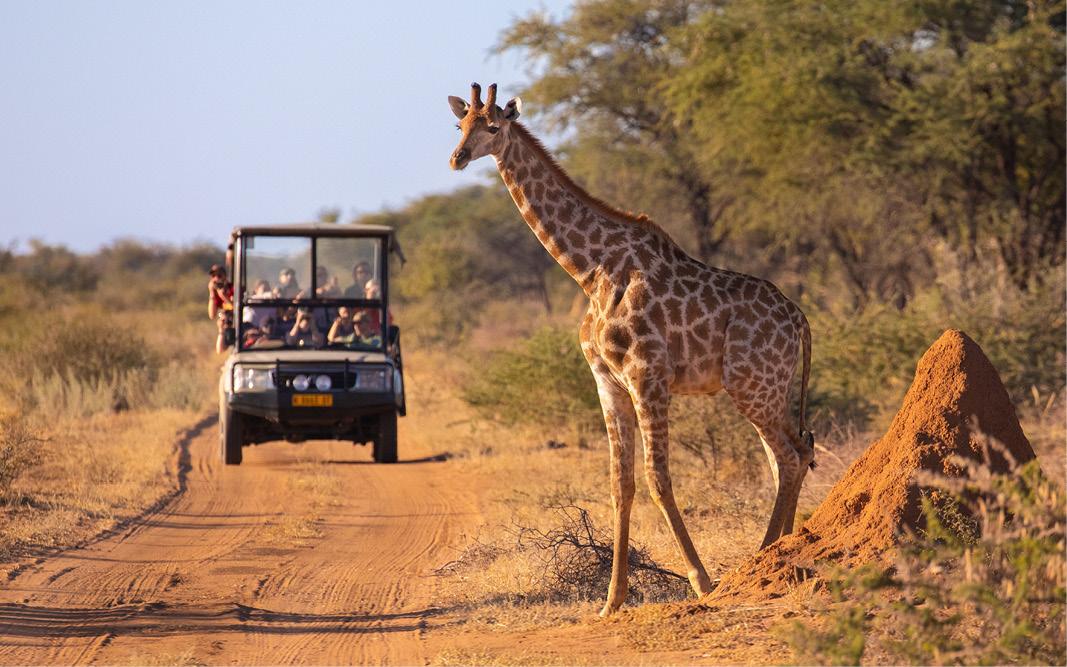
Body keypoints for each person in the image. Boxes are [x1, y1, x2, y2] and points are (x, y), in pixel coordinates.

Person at [207, 264, 234, 354]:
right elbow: (212, 315)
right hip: (224, 323)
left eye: (219, 276)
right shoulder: (215, 293)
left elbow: (237, 308)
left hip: (235, 322)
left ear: (225, 277)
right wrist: (212, 293)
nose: (216, 278)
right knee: (220, 350)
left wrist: (224, 296)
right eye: (213, 276)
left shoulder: (232, 288)